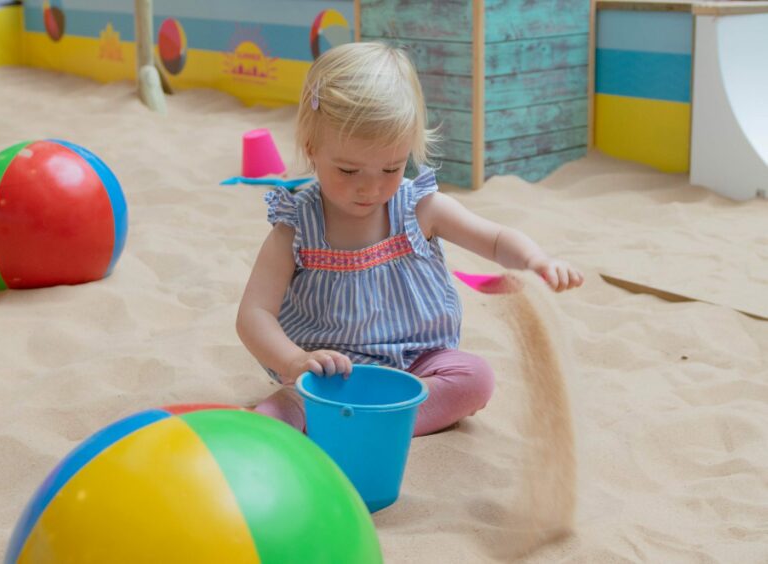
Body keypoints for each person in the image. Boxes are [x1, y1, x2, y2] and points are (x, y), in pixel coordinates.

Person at [236, 42, 584, 436]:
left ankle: (372, 422)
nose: (370, 188)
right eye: (349, 170)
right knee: (280, 412)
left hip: (417, 363)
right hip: (330, 373)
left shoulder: (420, 208)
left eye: (390, 167)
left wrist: (536, 260)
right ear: (312, 149)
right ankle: (353, 418)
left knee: (476, 377)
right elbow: (254, 314)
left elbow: (496, 239)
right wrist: (294, 360)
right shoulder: (297, 225)